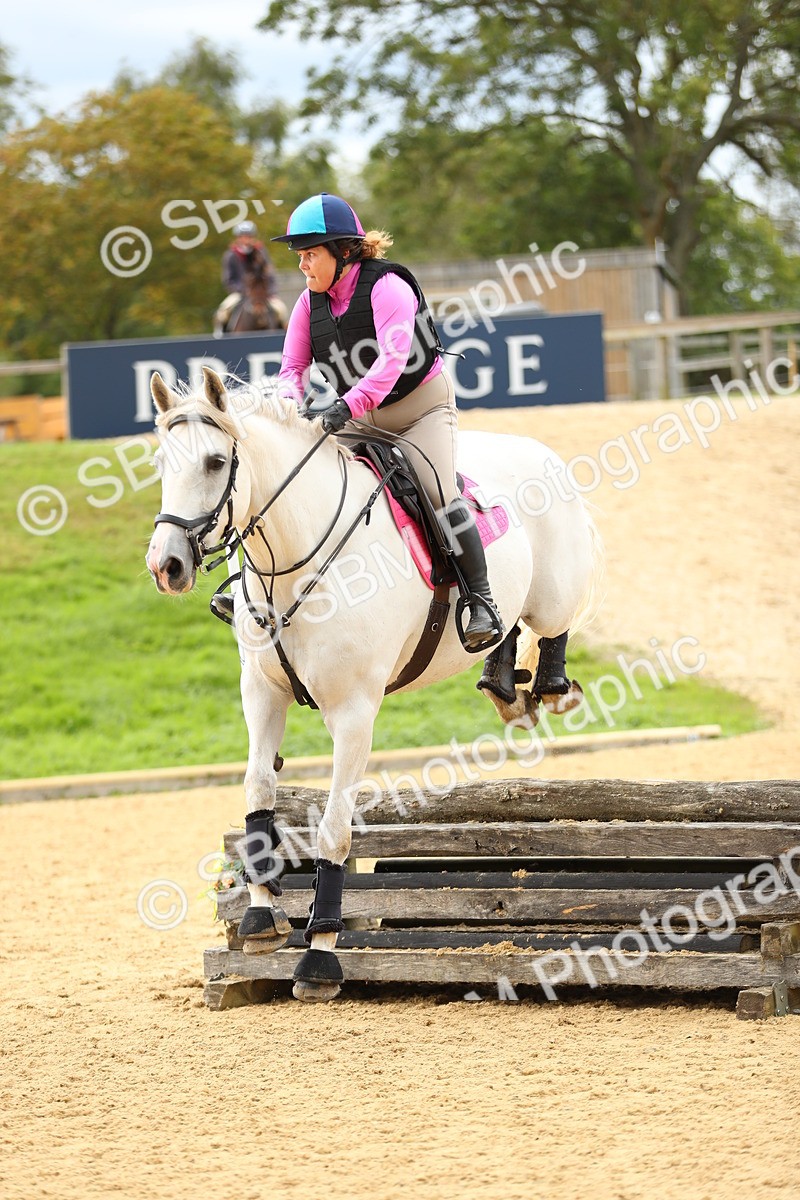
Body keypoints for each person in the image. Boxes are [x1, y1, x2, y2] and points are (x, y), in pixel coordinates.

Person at [272, 192, 503, 650]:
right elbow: (291, 370)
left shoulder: (386, 287)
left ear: (343, 251)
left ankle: (481, 599)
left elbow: (392, 361)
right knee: (294, 473)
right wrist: (289, 409)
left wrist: (345, 407)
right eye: (299, 256)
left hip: (420, 409)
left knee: (437, 489)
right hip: (359, 414)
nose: (302, 265)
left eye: (310, 254)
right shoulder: (307, 304)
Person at [215, 221, 283, 332]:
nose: (246, 240)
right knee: (223, 311)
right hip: (240, 293)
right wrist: (244, 290)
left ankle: (284, 338)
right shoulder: (231, 255)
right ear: (238, 238)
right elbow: (228, 279)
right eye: (243, 237)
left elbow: (270, 275)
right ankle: (220, 337)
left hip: (262, 294)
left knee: (281, 310)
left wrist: (271, 291)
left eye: (249, 237)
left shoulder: (261, 252)